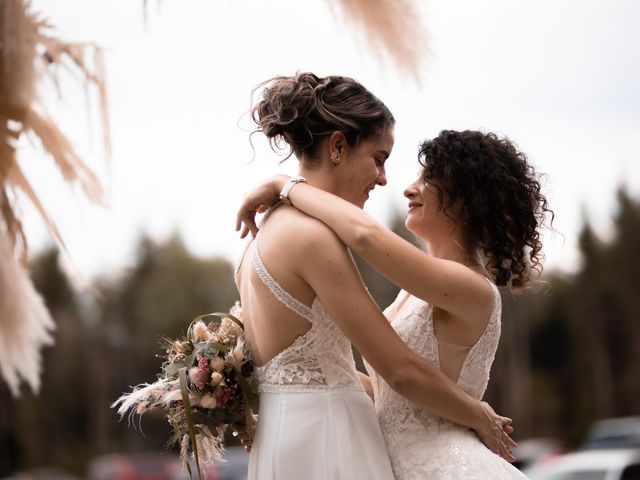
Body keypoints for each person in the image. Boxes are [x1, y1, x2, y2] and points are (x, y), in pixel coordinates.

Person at [235, 72, 516, 480]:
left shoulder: (256, 243)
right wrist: (479, 415)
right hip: (329, 437)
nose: (386, 179)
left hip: (282, 440)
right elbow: (397, 369)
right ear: (337, 147)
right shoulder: (315, 237)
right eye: (379, 158)